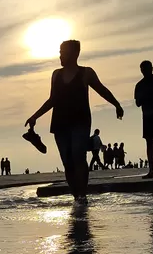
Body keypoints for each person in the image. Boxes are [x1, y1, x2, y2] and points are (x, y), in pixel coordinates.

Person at [26, 40, 123, 201]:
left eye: (63, 52)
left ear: (74, 53)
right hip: (60, 123)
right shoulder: (56, 74)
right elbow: (52, 100)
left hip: (80, 121)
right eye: (59, 52)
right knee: (67, 161)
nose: (60, 56)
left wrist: (117, 104)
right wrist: (35, 116)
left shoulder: (86, 73)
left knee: (79, 157)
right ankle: (76, 197)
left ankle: (82, 195)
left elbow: (101, 89)